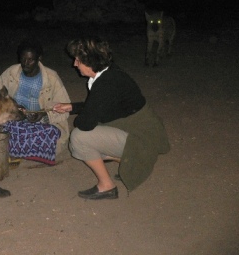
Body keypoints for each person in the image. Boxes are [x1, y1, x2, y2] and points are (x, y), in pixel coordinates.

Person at [53, 36, 170, 199]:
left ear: (90, 61)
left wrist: (80, 116)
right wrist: (73, 107)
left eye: (78, 60)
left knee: (79, 138)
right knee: (87, 137)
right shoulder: (109, 73)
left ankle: (107, 186)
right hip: (143, 130)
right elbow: (104, 105)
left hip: (141, 137)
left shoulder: (106, 83)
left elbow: (86, 123)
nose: (74, 64)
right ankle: (130, 160)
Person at [0, 38, 71, 165]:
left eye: (30, 60)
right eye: (23, 59)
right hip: (15, 120)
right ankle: (25, 149)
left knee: (50, 133)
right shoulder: (10, 73)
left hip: (41, 124)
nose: (25, 63)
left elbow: (66, 109)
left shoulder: (51, 78)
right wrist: (12, 107)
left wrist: (44, 115)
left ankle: (14, 149)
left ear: (39, 58)